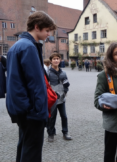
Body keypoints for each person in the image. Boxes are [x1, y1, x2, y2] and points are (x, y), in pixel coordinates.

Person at [6, 11, 56, 162]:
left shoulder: (17, 46)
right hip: (31, 112)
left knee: (24, 146)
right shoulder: (29, 47)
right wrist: (37, 110)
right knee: (32, 152)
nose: (49, 34)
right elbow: (34, 84)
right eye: (47, 30)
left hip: (22, 109)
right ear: (37, 27)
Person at [47, 53, 72, 142]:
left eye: (57, 58)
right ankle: (51, 133)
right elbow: (46, 85)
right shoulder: (48, 72)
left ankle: (65, 132)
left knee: (64, 116)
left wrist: (65, 92)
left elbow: (66, 84)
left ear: (60, 60)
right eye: (54, 59)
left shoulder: (63, 72)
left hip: (61, 98)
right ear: (51, 61)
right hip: (52, 99)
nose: (56, 60)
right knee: (52, 117)